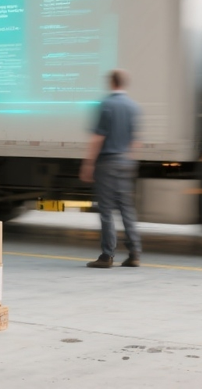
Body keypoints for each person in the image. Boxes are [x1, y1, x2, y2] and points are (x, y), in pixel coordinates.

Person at [81, 69, 142, 268]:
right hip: (126, 161)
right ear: (124, 83)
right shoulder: (133, 107)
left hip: (107, 162)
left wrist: (88, 163)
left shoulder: (107, 105)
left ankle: (107, 256)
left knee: (106, 210)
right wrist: (127, 157)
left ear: (111, 83)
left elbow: (98, 137)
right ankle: (134, 254)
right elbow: (135, 140)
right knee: (126, 209)